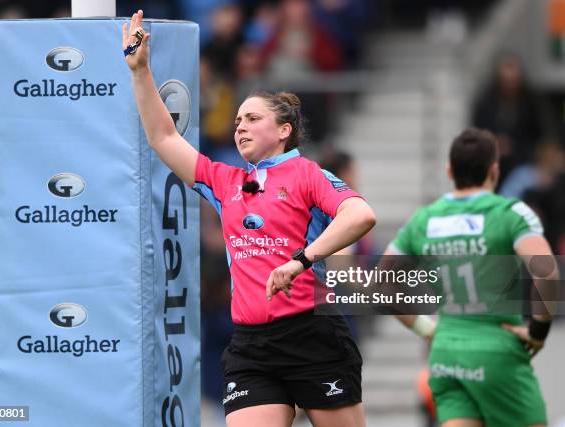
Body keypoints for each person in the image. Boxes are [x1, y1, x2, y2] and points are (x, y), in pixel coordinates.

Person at [122, 11, 376, 427]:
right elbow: (164, 137)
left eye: (253, 119)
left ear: (284, 131)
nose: (240, 127)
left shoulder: (307, 174)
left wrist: (300, 261)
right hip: (252, 346)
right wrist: (140, 69)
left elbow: (360, 214)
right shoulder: (225, 181)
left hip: (312, 335)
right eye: (238, 120)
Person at [385, 128, 558, 427]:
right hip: (497, 349)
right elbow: (546, 271)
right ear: (494, 170)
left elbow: (382, 283)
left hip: (446, 352)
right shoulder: (510, 212)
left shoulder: (425, 219)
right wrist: (539, 332)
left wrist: (428, 330)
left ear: (449, 170)